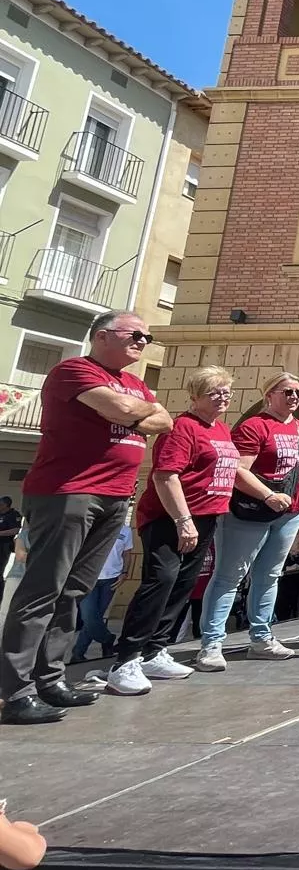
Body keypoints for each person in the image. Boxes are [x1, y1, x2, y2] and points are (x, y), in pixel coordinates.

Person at [1, 311, 171, 725]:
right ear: (101, 336)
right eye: (135, 334)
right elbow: (118, 410)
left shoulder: (135, 382)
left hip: (115, 497)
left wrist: (135, 409)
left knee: (74, 591)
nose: (143, 341)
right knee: (43, 589)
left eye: (146, 337)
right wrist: (135, 411)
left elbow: (163, 420)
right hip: (69, 493)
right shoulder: (73, 370)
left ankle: (50, 679)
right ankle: (13, 690)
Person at [106, 366, 240, 695]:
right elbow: (165, 476)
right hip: (170, 517)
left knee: (182, 584)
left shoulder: (221, 428)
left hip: (206, 517)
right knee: (160, 580)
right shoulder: (182, 427)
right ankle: (125, 660)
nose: (222, 397)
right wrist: (183, 521)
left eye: (226, 391)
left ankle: (155, 651)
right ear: (194, 396)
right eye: (214, 392)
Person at [193, 372, 299, 672]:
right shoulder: (254, 426)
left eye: (298, 392)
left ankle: (261, 636)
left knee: (270, 575)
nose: (294, 397)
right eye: (287, 392)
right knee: (230, 575)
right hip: (251, 511)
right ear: (269, 394)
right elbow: (237, 469)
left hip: (290, 511)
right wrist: (268, 494)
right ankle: (211, 643)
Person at [70, 523, 133, 664]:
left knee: (96, 617)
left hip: (111, 579)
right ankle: (107, 639)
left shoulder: (126, 531)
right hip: (89, 578)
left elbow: (127, 554)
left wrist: (125, 573)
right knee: (89, 616)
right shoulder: (92, 525)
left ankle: (78, 653)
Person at [0, 497, 19, 611]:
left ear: (6, 505)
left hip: (4, 546)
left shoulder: (13, 515)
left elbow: (16, 530)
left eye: (1, 504)